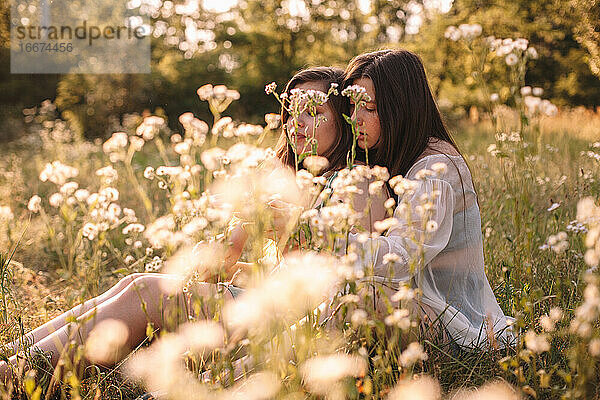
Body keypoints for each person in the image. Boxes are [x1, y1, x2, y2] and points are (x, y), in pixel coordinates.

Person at [0, 66, 376, 381]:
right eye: (292, 112)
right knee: (136, 283)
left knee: (150, 291)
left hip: (297, 325)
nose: (297, 124)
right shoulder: (293, 177)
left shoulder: (355, 180)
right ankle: (13, 356)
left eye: (313, 112)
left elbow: (347, 276)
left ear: (344, 119)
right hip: (269, 301)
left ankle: (18, 374)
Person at [340, 49, 514, 349]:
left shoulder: (435, 169)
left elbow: (400, 260)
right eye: (353, 106)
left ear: (400, 107)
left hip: (455, 327)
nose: (355, 119)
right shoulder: (398, 159)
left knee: (360, 298)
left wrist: (326, 238)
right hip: (417, 309)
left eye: (369, 108)